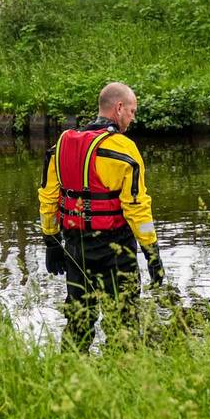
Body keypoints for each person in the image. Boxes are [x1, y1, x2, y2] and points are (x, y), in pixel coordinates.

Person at [38, 82, 163, 350]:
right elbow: (137, 207)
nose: (132, 118)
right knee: (123, 322)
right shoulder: (124, 148)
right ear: (118, 108)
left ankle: (69, 370)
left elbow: (49, 198)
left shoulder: (62, 145)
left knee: (78, 320)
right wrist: (152, 252)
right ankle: (122, 370)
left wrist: (51, 240)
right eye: (132, 111)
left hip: (75, 246)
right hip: (115, 248)